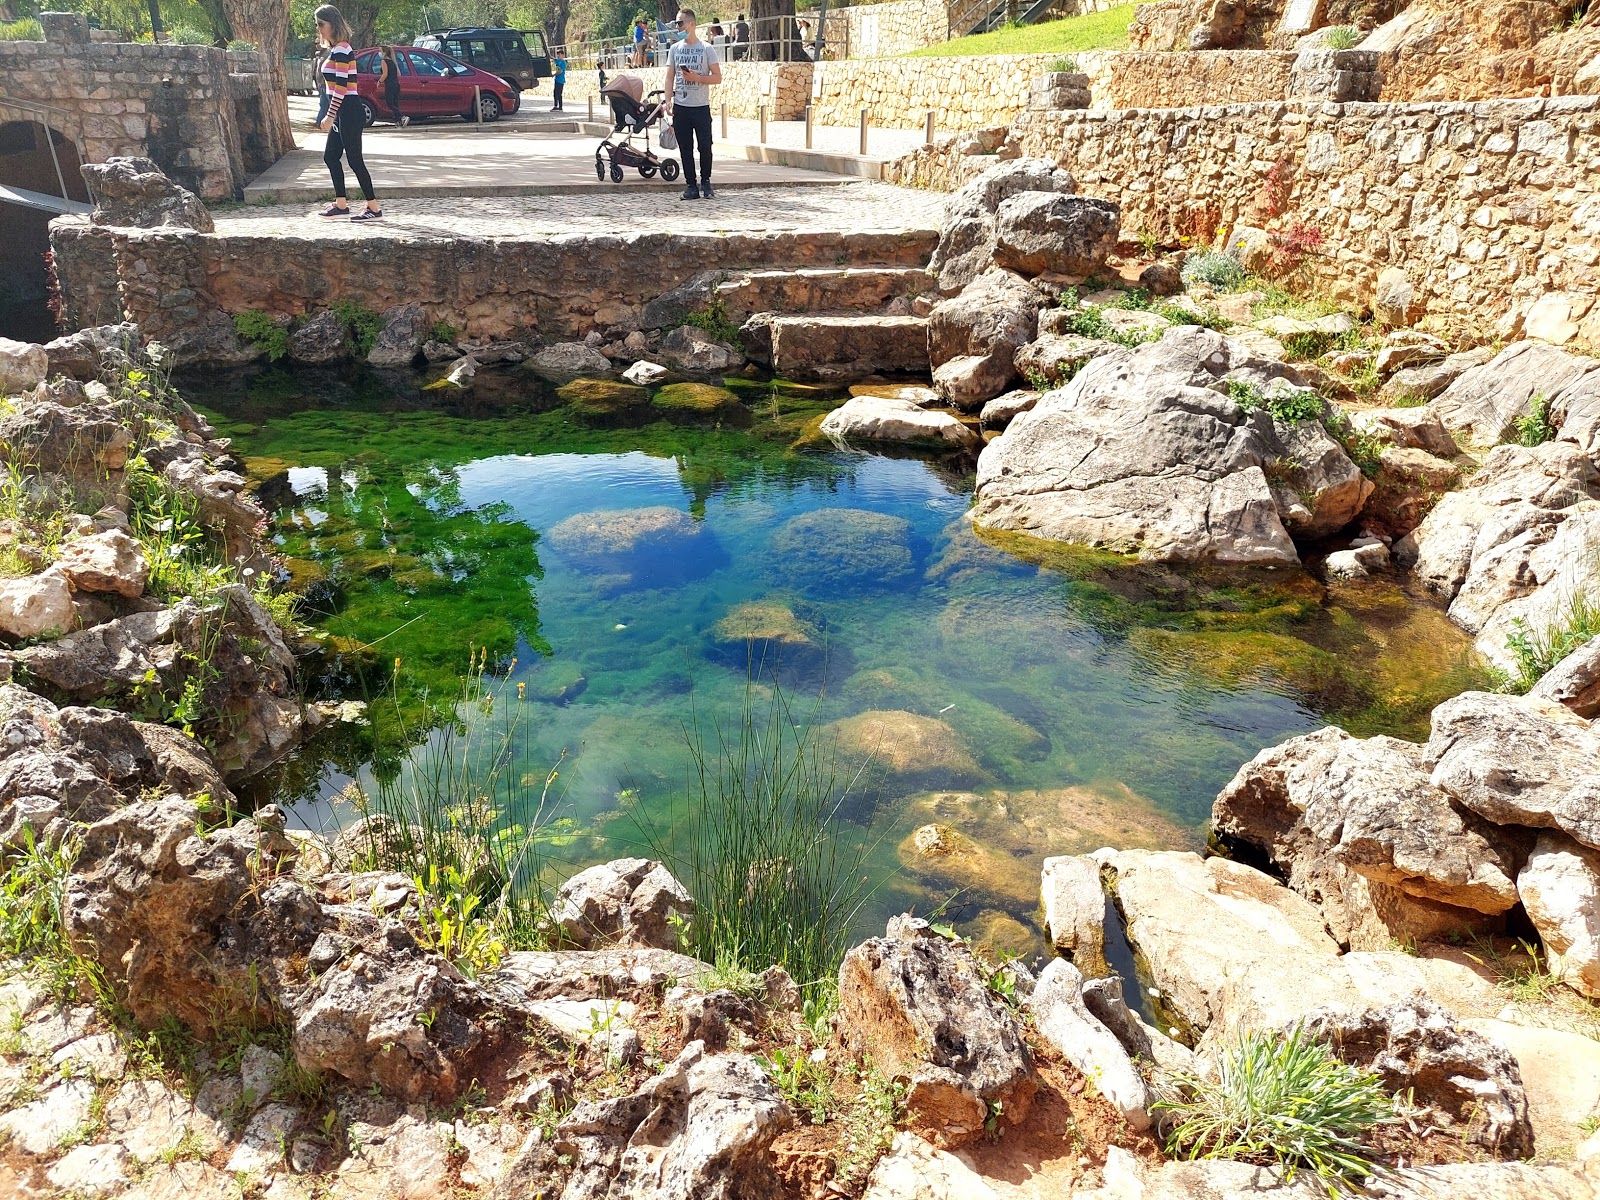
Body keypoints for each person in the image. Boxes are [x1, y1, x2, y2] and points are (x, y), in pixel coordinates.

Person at [314, 5, 381, 221]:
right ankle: (341, 204)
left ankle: (374, 207)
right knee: (331, 157)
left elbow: (341, 86)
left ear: (332, 23)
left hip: (349, 109)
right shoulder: (335, 50)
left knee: (354, 160)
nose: (319, 29)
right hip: (343, 109)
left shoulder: (342, 49)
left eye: (321, 24)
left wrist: (330, 115)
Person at [664, 7, 720, 200]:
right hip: (681, 106)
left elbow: (717, 77)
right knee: (685, 148)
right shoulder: (674, 49)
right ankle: (691, 185)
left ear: (691, 24)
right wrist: (668, 100)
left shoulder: (706, 49)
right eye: (677, 23)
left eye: (680, 23)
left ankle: (706, 181)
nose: (678, 26)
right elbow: (669, 76)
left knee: (705, 146)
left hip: (701, 107)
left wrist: (697, 78)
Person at [378, 46, 407, 126]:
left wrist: (379, 81)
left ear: (384, 52)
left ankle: (402, 117)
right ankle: (398, 121)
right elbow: (398, 74)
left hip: (389, 84)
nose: (379, 53)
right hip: (396, 84)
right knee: (395, 103)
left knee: (389, 103)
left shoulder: (384, 61)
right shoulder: (393, 61)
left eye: (380, 51)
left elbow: (385, 74)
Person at [312, 46, 331, 126]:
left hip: (322, 83)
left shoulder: (323, 54)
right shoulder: (325, 54)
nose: (316, 45)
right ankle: (320, 122)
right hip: (324, 84)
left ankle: (319, 122)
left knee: (324, 104)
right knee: (326, 104)